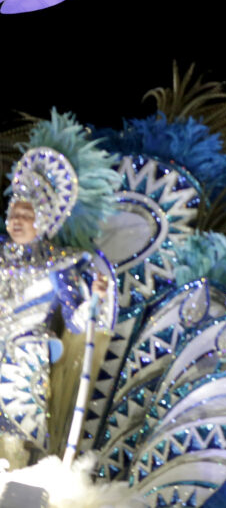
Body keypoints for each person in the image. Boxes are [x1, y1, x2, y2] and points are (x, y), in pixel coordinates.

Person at [0, 147, 113, 469]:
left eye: (26, 215)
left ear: (44, 219)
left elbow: (76, 324)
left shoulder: (60, 263)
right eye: (13, 213)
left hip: (24, 364)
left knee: (17, 444)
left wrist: (95, 299)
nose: (17, 220)